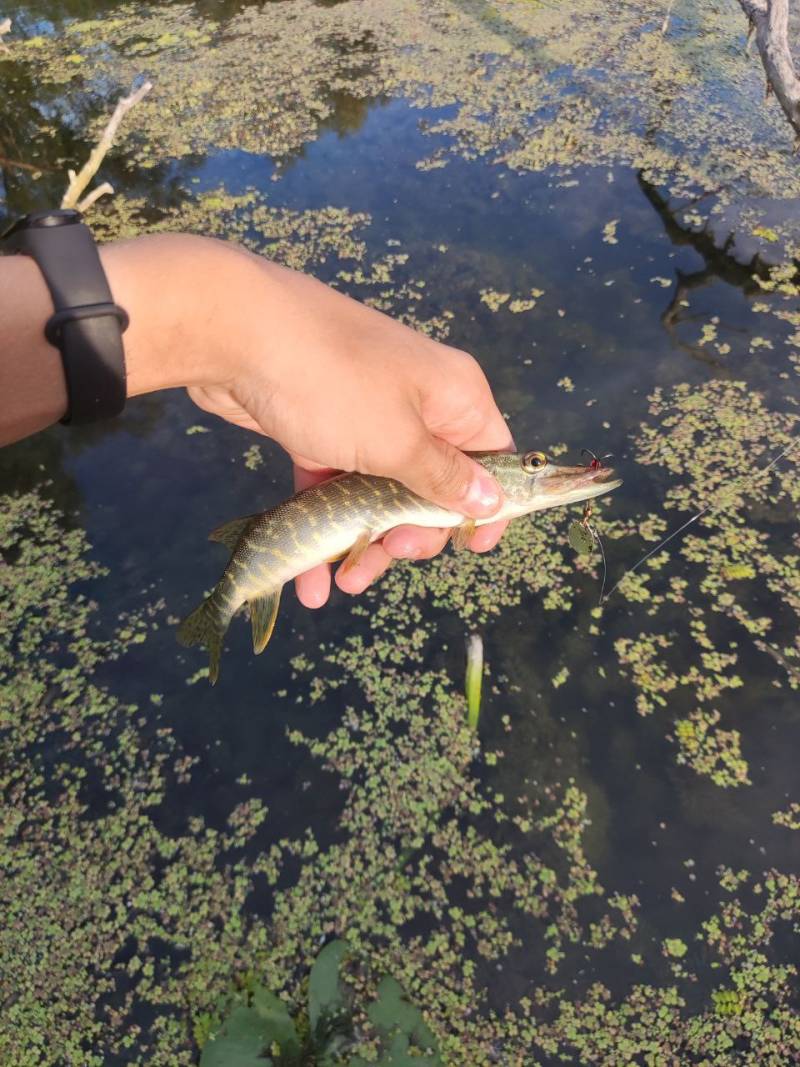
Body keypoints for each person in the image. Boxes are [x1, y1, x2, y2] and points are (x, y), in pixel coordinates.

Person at [0, 232, 511, 606]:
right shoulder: (474, 486)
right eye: (531, 463)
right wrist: (237, 324)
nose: (537, 466)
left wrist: (234, 330)